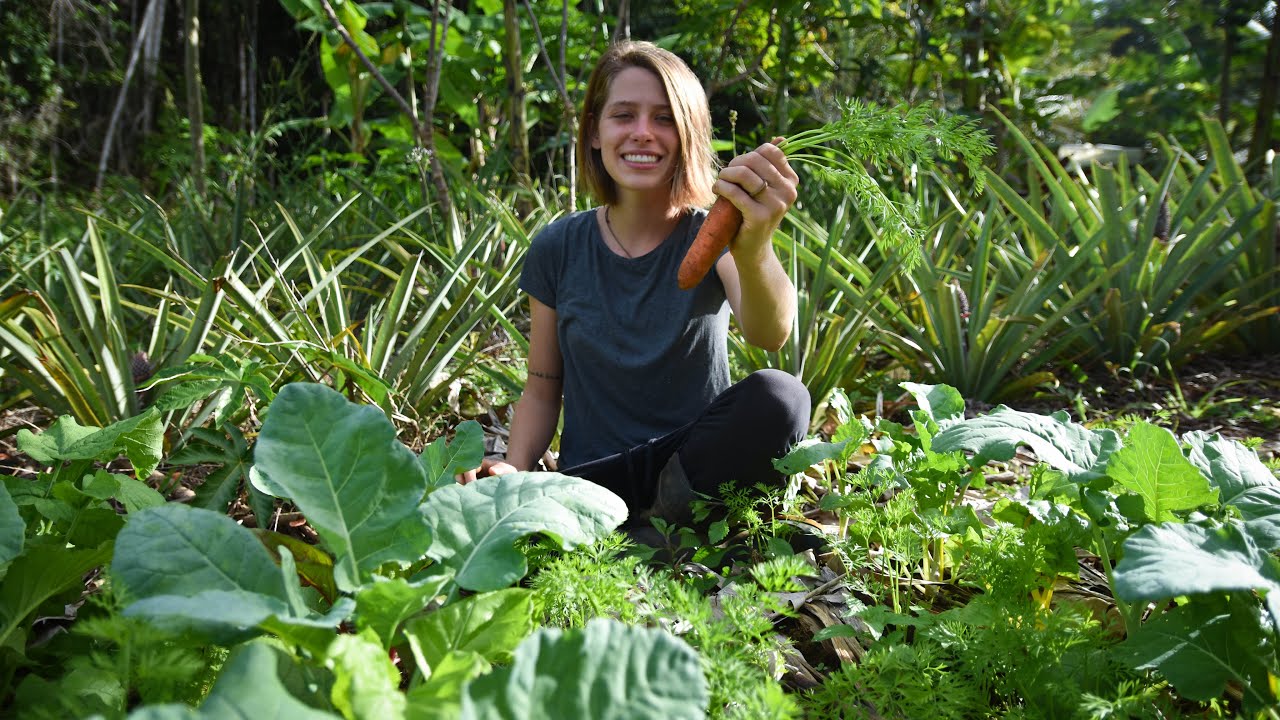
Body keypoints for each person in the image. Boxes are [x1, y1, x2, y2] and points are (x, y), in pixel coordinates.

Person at [460, 40, 810, 529]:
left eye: (664, 118)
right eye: (624, 115)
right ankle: (654, 536)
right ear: (596, 133)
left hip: (691, 467)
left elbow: (771, 332)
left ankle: (660, 529)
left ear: (688, 133)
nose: (643, 133)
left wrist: (755, 247)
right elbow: (542, 386)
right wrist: (513, 472)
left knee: (781, 397)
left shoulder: (715, 238)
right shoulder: (559, 246)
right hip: (590, 482)